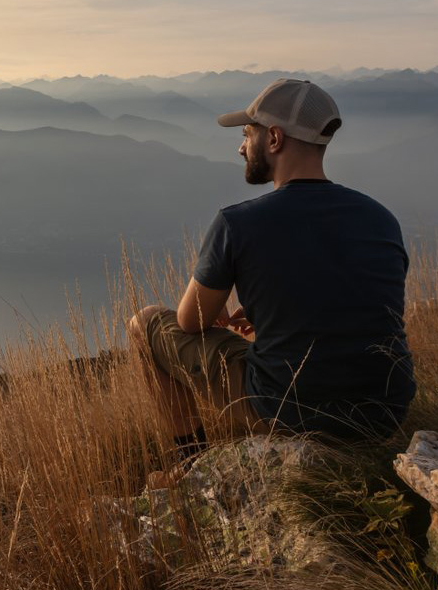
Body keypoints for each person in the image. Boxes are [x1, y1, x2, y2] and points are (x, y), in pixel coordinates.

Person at [127, 77, 414, 472]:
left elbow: (189, 321)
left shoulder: (238, 223)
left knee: (144, 324)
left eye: (248, 134)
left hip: (289, 413)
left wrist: (231, 310)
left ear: (275, 139)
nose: (242, 147)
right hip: (384, 414)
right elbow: (358, 302)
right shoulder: (381, 219)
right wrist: (266, 308)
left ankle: (191, 462)